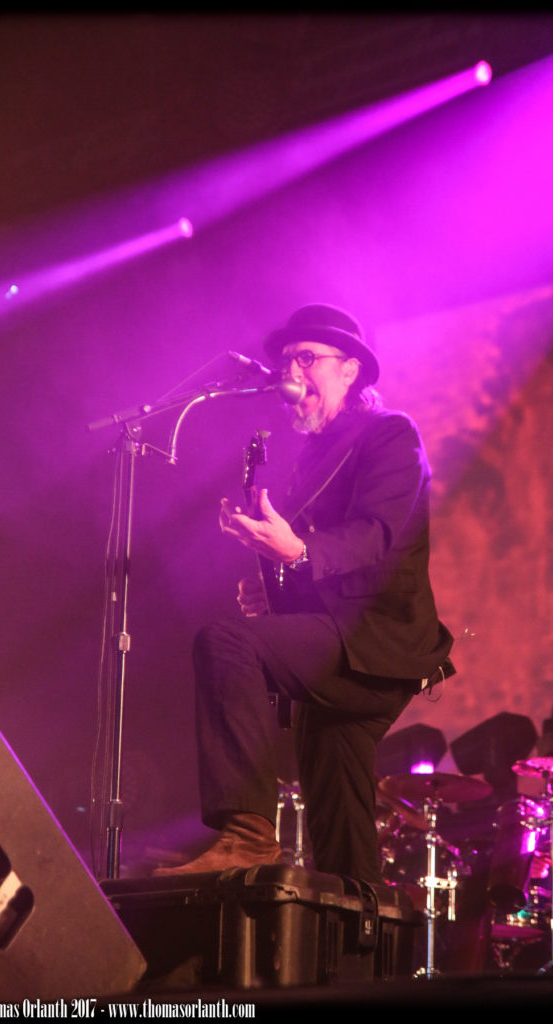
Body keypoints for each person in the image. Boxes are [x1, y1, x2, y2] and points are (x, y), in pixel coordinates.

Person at [155, 303, 454, 883]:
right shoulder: (313, 456)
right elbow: (312, 560)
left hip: (377, 639)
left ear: (350, 370)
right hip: (342, 645)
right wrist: (275, 584)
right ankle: (358, 927)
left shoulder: (390, 433)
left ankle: (247, 838)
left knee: (227, 643)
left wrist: (295, 552)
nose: (291, 373)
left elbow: (376, 535)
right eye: (287, 361)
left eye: (307, 358)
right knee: (337, 807)